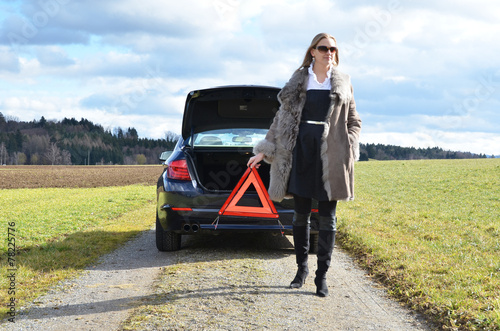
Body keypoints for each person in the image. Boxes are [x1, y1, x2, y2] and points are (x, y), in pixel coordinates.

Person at [247, 33, 362, 297]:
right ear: (313, 51)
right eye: (323, 48)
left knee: (328, 219)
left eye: (333, 48)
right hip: (300, 153)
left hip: (330, 155)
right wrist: (264, 150)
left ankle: (322, 277)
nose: (329, 52)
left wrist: (348, 145)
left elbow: (355, 121)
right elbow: (281, 120)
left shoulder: (344, 82)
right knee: (300, 216)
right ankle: (301, 270)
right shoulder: (299, 80)